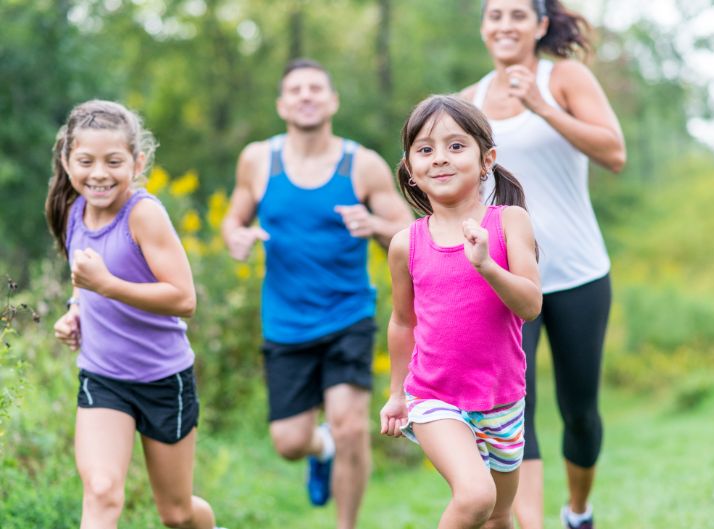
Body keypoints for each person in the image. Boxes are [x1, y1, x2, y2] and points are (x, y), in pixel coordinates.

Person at [221, 59, 412, 529]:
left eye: (315, 88)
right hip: (285, 321)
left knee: (350, 428)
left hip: (348, 314)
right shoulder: (258, 159)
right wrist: (236, 238)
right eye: (296, 89)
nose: (306, 95)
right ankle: (318, 448)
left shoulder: (361, 164)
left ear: (332, 101)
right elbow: (232, 220)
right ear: (282, 103)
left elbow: (409, 234)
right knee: (288, 441)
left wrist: (376, 226)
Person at [460, 1, 627, 528]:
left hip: (579, 273)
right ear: (484, 28)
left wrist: (542, 106)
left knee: (579, 411)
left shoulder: (565, 77)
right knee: (515, 413)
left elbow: (614, 152)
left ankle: (578, 511)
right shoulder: (470, 101)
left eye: (517, 14)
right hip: (509, 281)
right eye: (494, 15)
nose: (504, 24)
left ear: (539, 25)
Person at [45, 100, 222, 529]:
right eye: (85, 161)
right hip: (103, 378)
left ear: (137, 162)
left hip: (163, 379)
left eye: (113, 161)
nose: (99, 173)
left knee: (176, 514)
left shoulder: (143, 214)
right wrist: (75, 312)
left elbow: (184, 299)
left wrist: (106, 286)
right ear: (68, 161)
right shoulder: (73, 211)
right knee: (102, 491)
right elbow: (85, 277)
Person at [379, 95, 542, 529]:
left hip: (502, 399)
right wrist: (397, 393)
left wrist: (487, 266)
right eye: (425, 150)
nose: (440, 159)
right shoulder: (405, 244)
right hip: (434, 397)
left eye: (456, 146)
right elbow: (402, 322)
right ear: (411, 170)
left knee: (499, 515)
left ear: (486, 158)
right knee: (474, 497)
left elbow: (530, 304)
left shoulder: (509, 223)